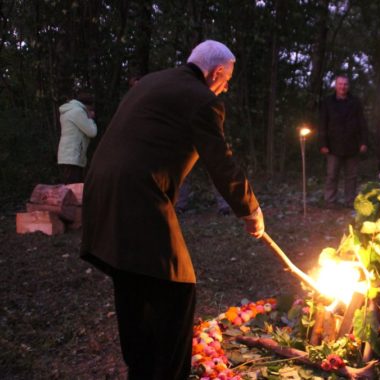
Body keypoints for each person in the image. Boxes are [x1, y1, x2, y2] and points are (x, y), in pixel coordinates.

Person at [81, 40, 265, 379]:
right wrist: (250, 210)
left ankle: (141, 368)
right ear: (216, 73)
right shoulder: (201, 101)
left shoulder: (153, 82)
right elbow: (221, 163)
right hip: (138, 196)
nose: (226, 87)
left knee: (132, 277)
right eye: (227, 79)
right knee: (178, 289)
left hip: (102, 189)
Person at [318, 74, 369, 207]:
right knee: (332, 175)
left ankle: (350, 201)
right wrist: (323, 144)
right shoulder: (328, 102)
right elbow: (322, 123)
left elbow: (362, 123)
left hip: (352, 145)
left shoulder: (355, 102)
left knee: (351, 176)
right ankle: (330, 200)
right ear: (336, 85)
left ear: (348, 86)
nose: (342, 87)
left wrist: (363, 142)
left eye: (345, 84)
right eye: (340, 84)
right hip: (333, 145)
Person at [57, 93, 97, 184]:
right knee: (73, 190)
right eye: (90, 109)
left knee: (69, 189)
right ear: (87, 106)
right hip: (73, 157)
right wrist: (90, 119)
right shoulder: (78, 111)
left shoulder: (68, 110)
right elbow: (92, 132)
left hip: (67, 156)